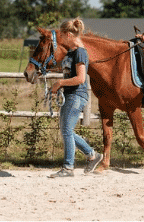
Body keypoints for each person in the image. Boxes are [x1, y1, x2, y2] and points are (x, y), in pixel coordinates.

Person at [49, 18, 103, 178]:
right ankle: (93, 155)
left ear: (68, 34)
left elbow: (80, 78)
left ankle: (68, 168)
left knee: (66, 131)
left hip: (76, 95)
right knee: (67, 131)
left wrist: (59, 83)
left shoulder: (80, 52)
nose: (60, 39)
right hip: (70, 95)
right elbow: (70, 72)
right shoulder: (72, 52)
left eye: (61, 36)